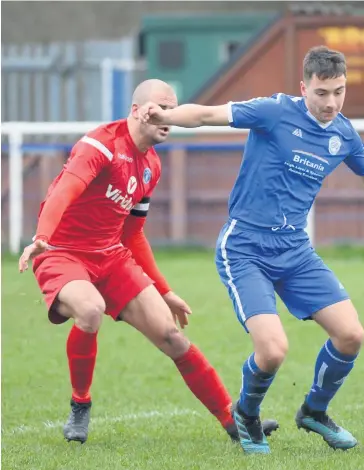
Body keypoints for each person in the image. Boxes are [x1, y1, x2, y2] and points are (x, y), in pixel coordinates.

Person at [137, 46, 364, 454]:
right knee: (272, 351)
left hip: (295, 250)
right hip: (245, 247)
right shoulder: (274, 111)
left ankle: (314, 412)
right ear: (304, 88)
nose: (331, 102)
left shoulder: (342, 133)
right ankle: (246, 415)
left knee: (351, 335)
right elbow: (208, 114)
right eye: (322, 93)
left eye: (338, 91)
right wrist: (167, 116)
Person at [18, 79, 278, 444]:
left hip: (111, 256)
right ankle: (81, 404)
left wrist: (165, 291)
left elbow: (133, 235)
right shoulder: (100, 145)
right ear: (137, 110)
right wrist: (42, 238)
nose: (168, 116)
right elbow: (64, 192)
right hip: (62, 251)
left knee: (172, 337)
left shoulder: (151, 166)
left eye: (173, 108)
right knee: (89, 310)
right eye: (161, 107)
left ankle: (233, 422)